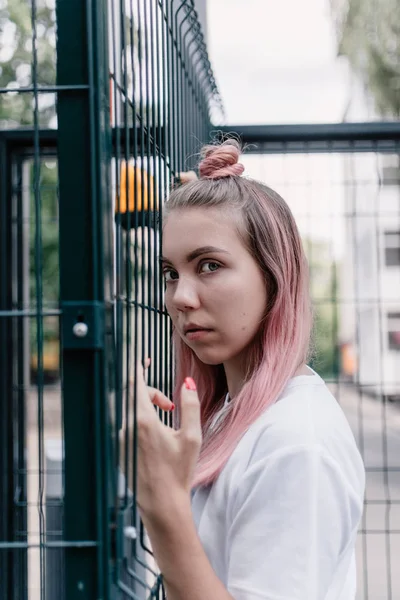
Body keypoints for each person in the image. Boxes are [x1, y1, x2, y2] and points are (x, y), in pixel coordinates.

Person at [132, 140, 366, 600]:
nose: (180, 297)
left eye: (210, 265)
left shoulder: (295, 444)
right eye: (172, 272)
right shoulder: (238, 413)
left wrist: (162, 504)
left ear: (273, 277)